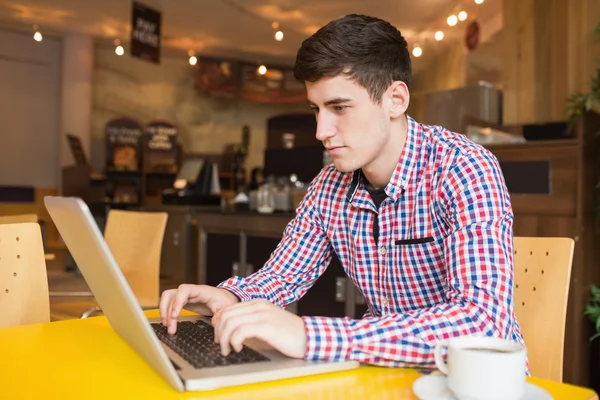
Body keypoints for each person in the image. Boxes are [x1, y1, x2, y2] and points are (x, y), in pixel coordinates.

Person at [160, 14, 525, 368]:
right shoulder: (329, 185)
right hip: (383, 376)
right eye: (316, 109)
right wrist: (231, 296)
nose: (321, 131)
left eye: (339, 107)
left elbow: (482, 324)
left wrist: (310, 336)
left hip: (470, 384)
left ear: (396, 99)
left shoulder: (463, 168)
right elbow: (284, 276)